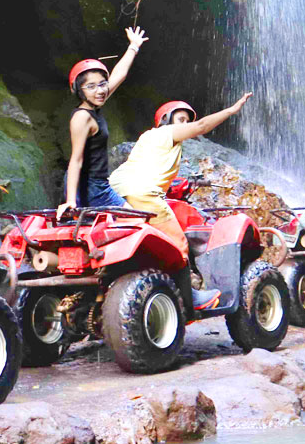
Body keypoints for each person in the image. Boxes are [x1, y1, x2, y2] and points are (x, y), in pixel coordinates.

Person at [108, 94, 253, 310]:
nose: (187, 125)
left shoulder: (149, 138)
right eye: (181, 120)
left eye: (188, 120)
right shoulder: (167, 133)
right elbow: (202, 125)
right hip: (143, 195)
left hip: (117, 194)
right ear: (166, 120)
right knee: (178, 245)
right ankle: (189, 299)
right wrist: (231, 111)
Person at [57, 27, 148, 216]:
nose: (99, 90)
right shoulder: (82, 117)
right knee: (136, 221)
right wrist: (71, 201)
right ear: (79, 91)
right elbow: (76, 160)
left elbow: (119, 75)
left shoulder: (95, 105)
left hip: (98, 183)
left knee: (123, 222)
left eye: (102, 84)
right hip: (89, 186)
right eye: (91, 86)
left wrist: (133, 46)